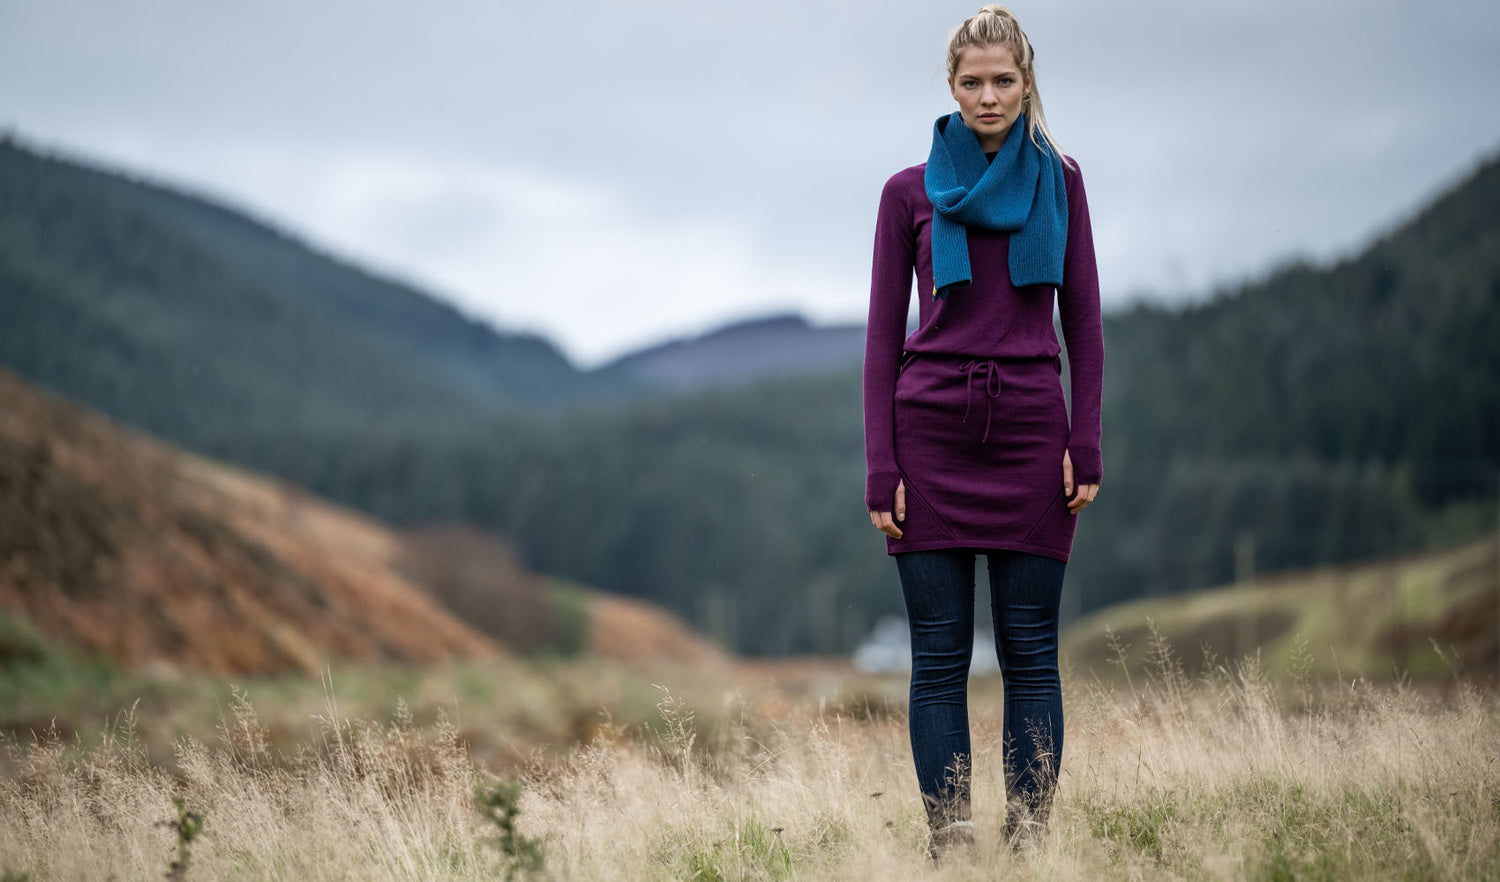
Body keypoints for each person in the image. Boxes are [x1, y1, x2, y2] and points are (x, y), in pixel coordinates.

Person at [862, 4, 1104, 861]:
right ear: (951, 87)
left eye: (1004, 80)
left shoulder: (1061, 179)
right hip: (928, 435)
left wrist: (1088, 439)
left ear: (1027, 81)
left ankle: (1032, 844)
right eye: (973, 82)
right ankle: (953, 847)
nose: (990, 95)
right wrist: (880, 464)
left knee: (1032, 654)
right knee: (938, 659)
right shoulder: (906, 193)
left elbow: (1085, 324)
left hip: (1035, 433)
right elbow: (881, 338)